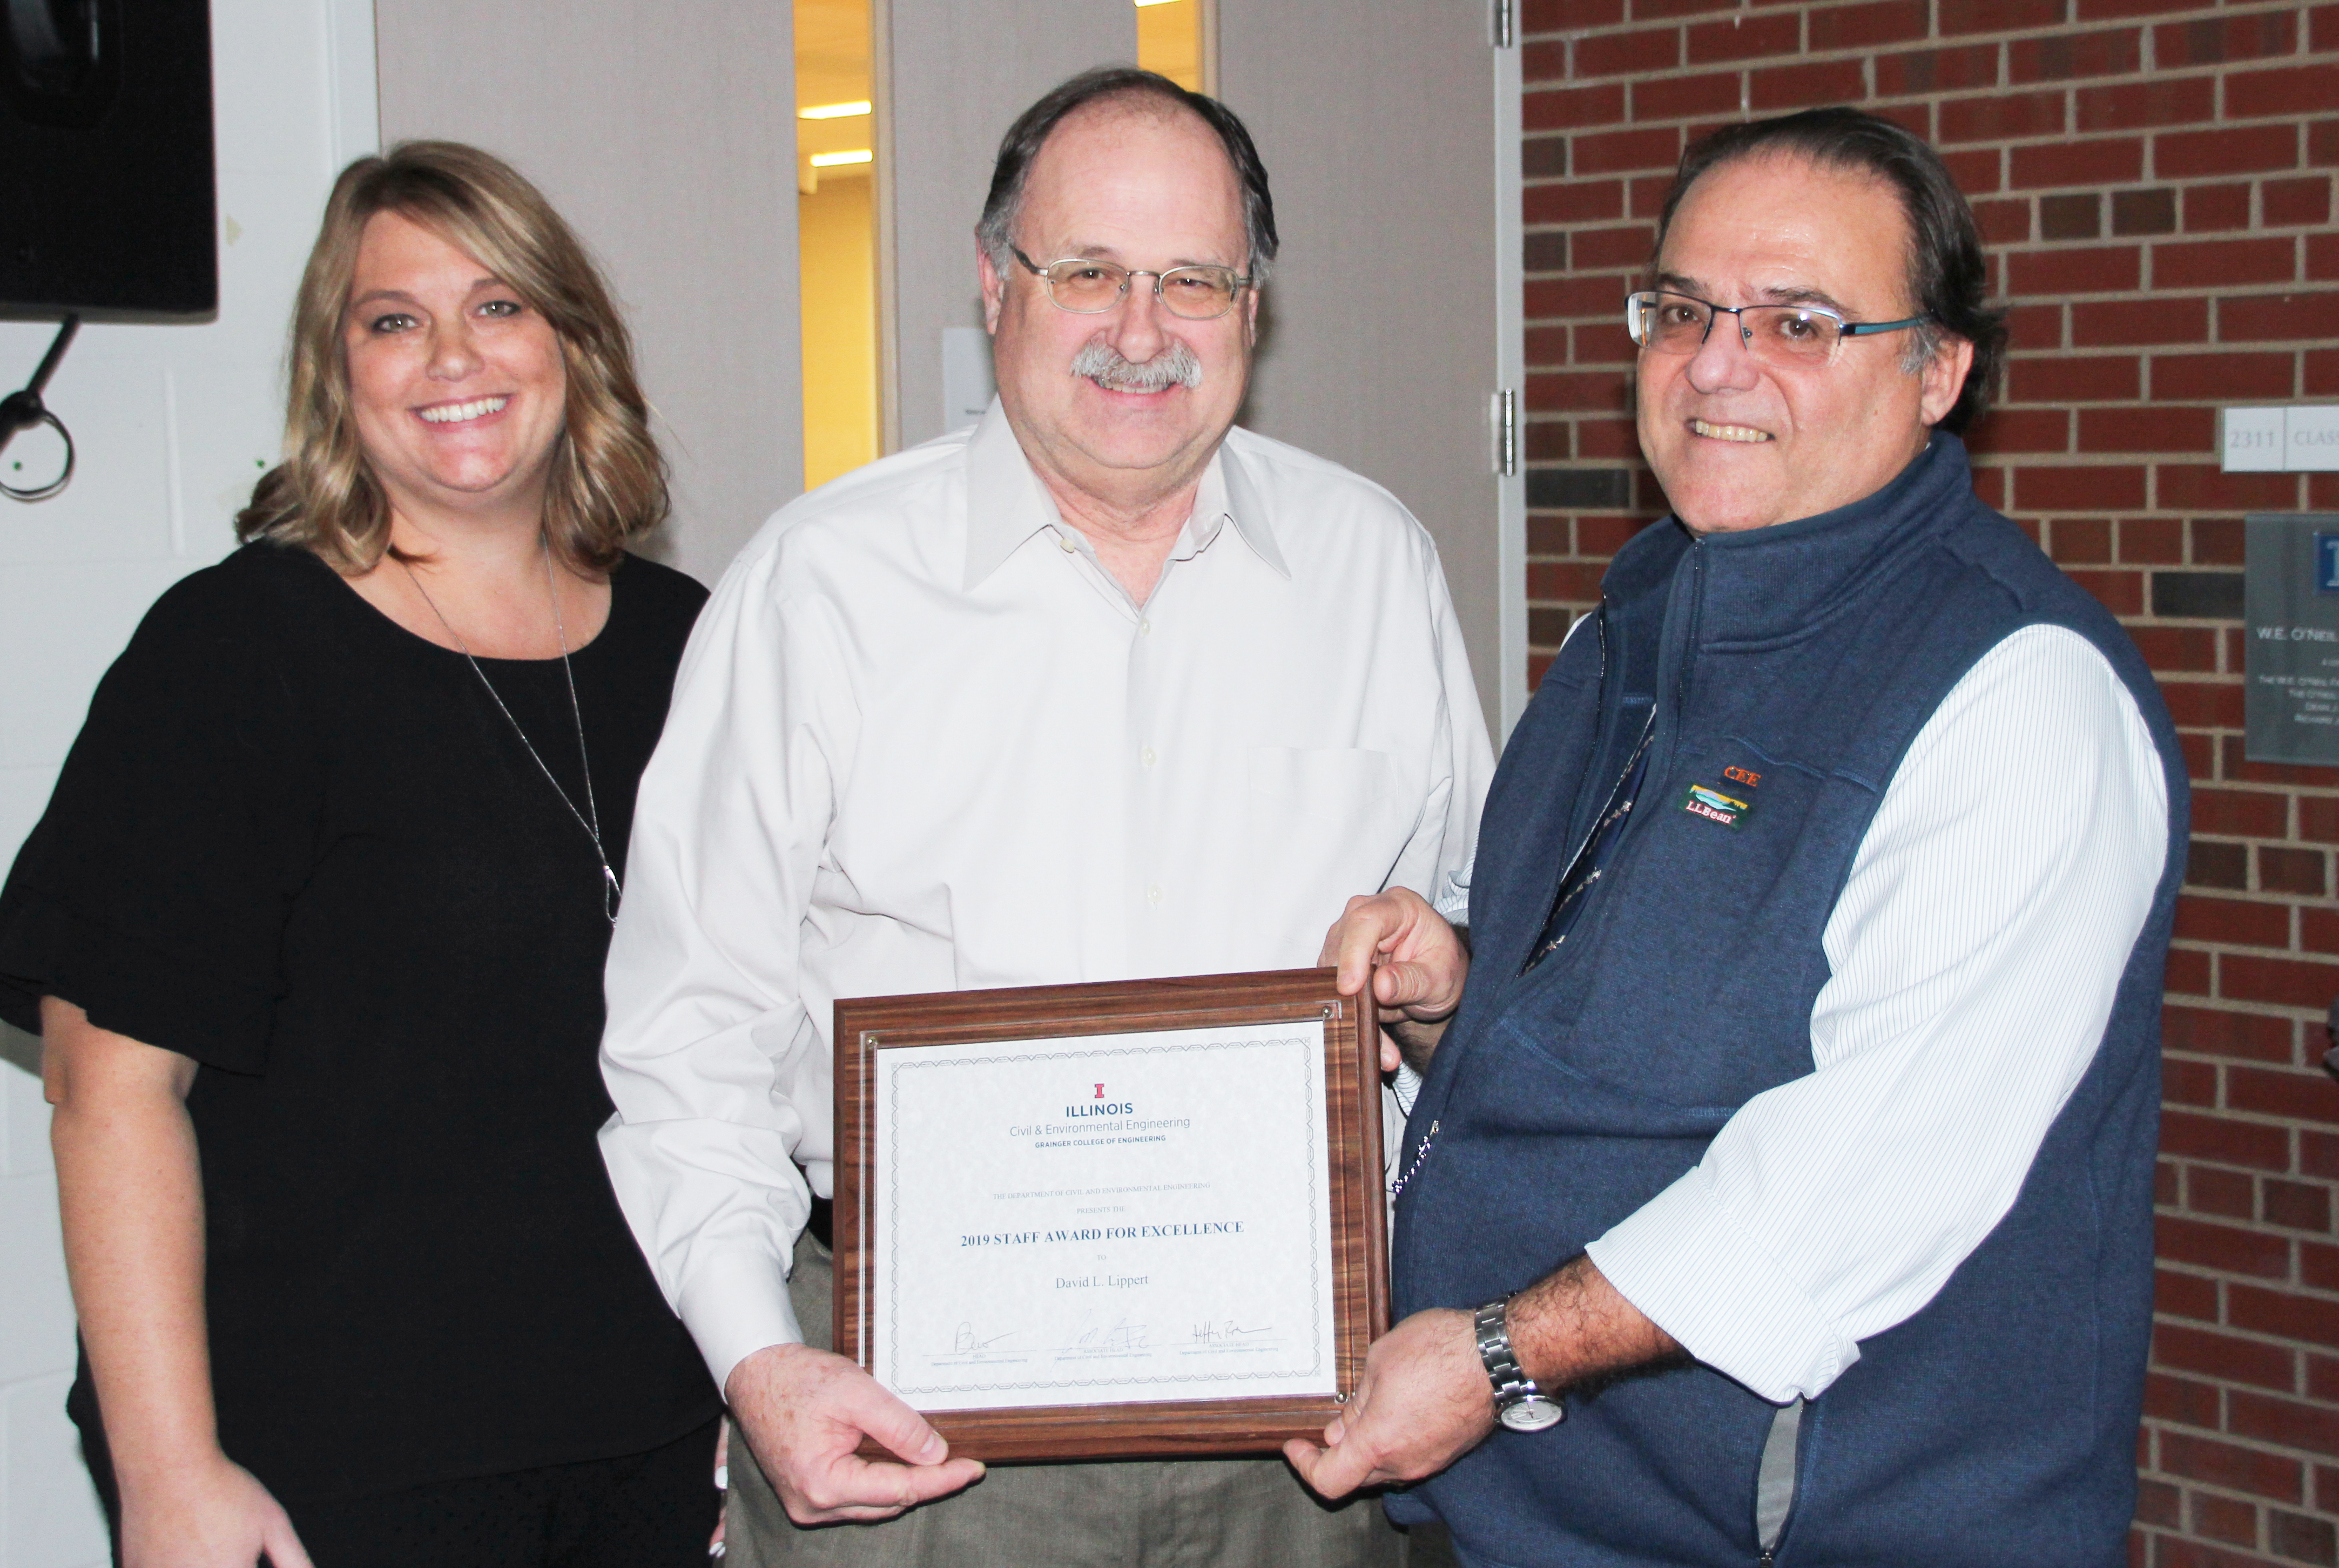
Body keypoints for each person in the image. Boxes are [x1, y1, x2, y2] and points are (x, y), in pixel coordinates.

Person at [597, 66, 1492, 1568]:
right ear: (993, 281)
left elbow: (1460, 967)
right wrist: (757, 1361)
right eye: (1086, 271)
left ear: (1252, 308)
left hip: (1295, 1440)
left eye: (1191, 280)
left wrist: (1439, 987)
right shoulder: (818, 588)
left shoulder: (1372, 568)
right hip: (911, 1430)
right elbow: (690, 1027)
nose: (1139, 333)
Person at [1292, 108, 2188, 1566]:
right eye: (1682, 309)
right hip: (1553, 1515)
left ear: (1937, 370)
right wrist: (1458, 1001)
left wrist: (1498, 1357)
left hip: (1815, 1528)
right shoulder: (1633, 625)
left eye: (1800, 321)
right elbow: (1645, 1038)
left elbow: (1859, 1182)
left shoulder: (2012, 694)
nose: (1716, 364)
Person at [1, 142, 722, 1567]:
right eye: (393, 320)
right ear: (339, 375)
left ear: (577, 342)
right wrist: (169, 1471)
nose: (451, 354)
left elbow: (741, 1057)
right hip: (324, 1459)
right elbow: (107, 1089)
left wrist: (745, 1374)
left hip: (643, 1428)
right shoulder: (238, 652)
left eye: (500, 305)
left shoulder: (690, 643)